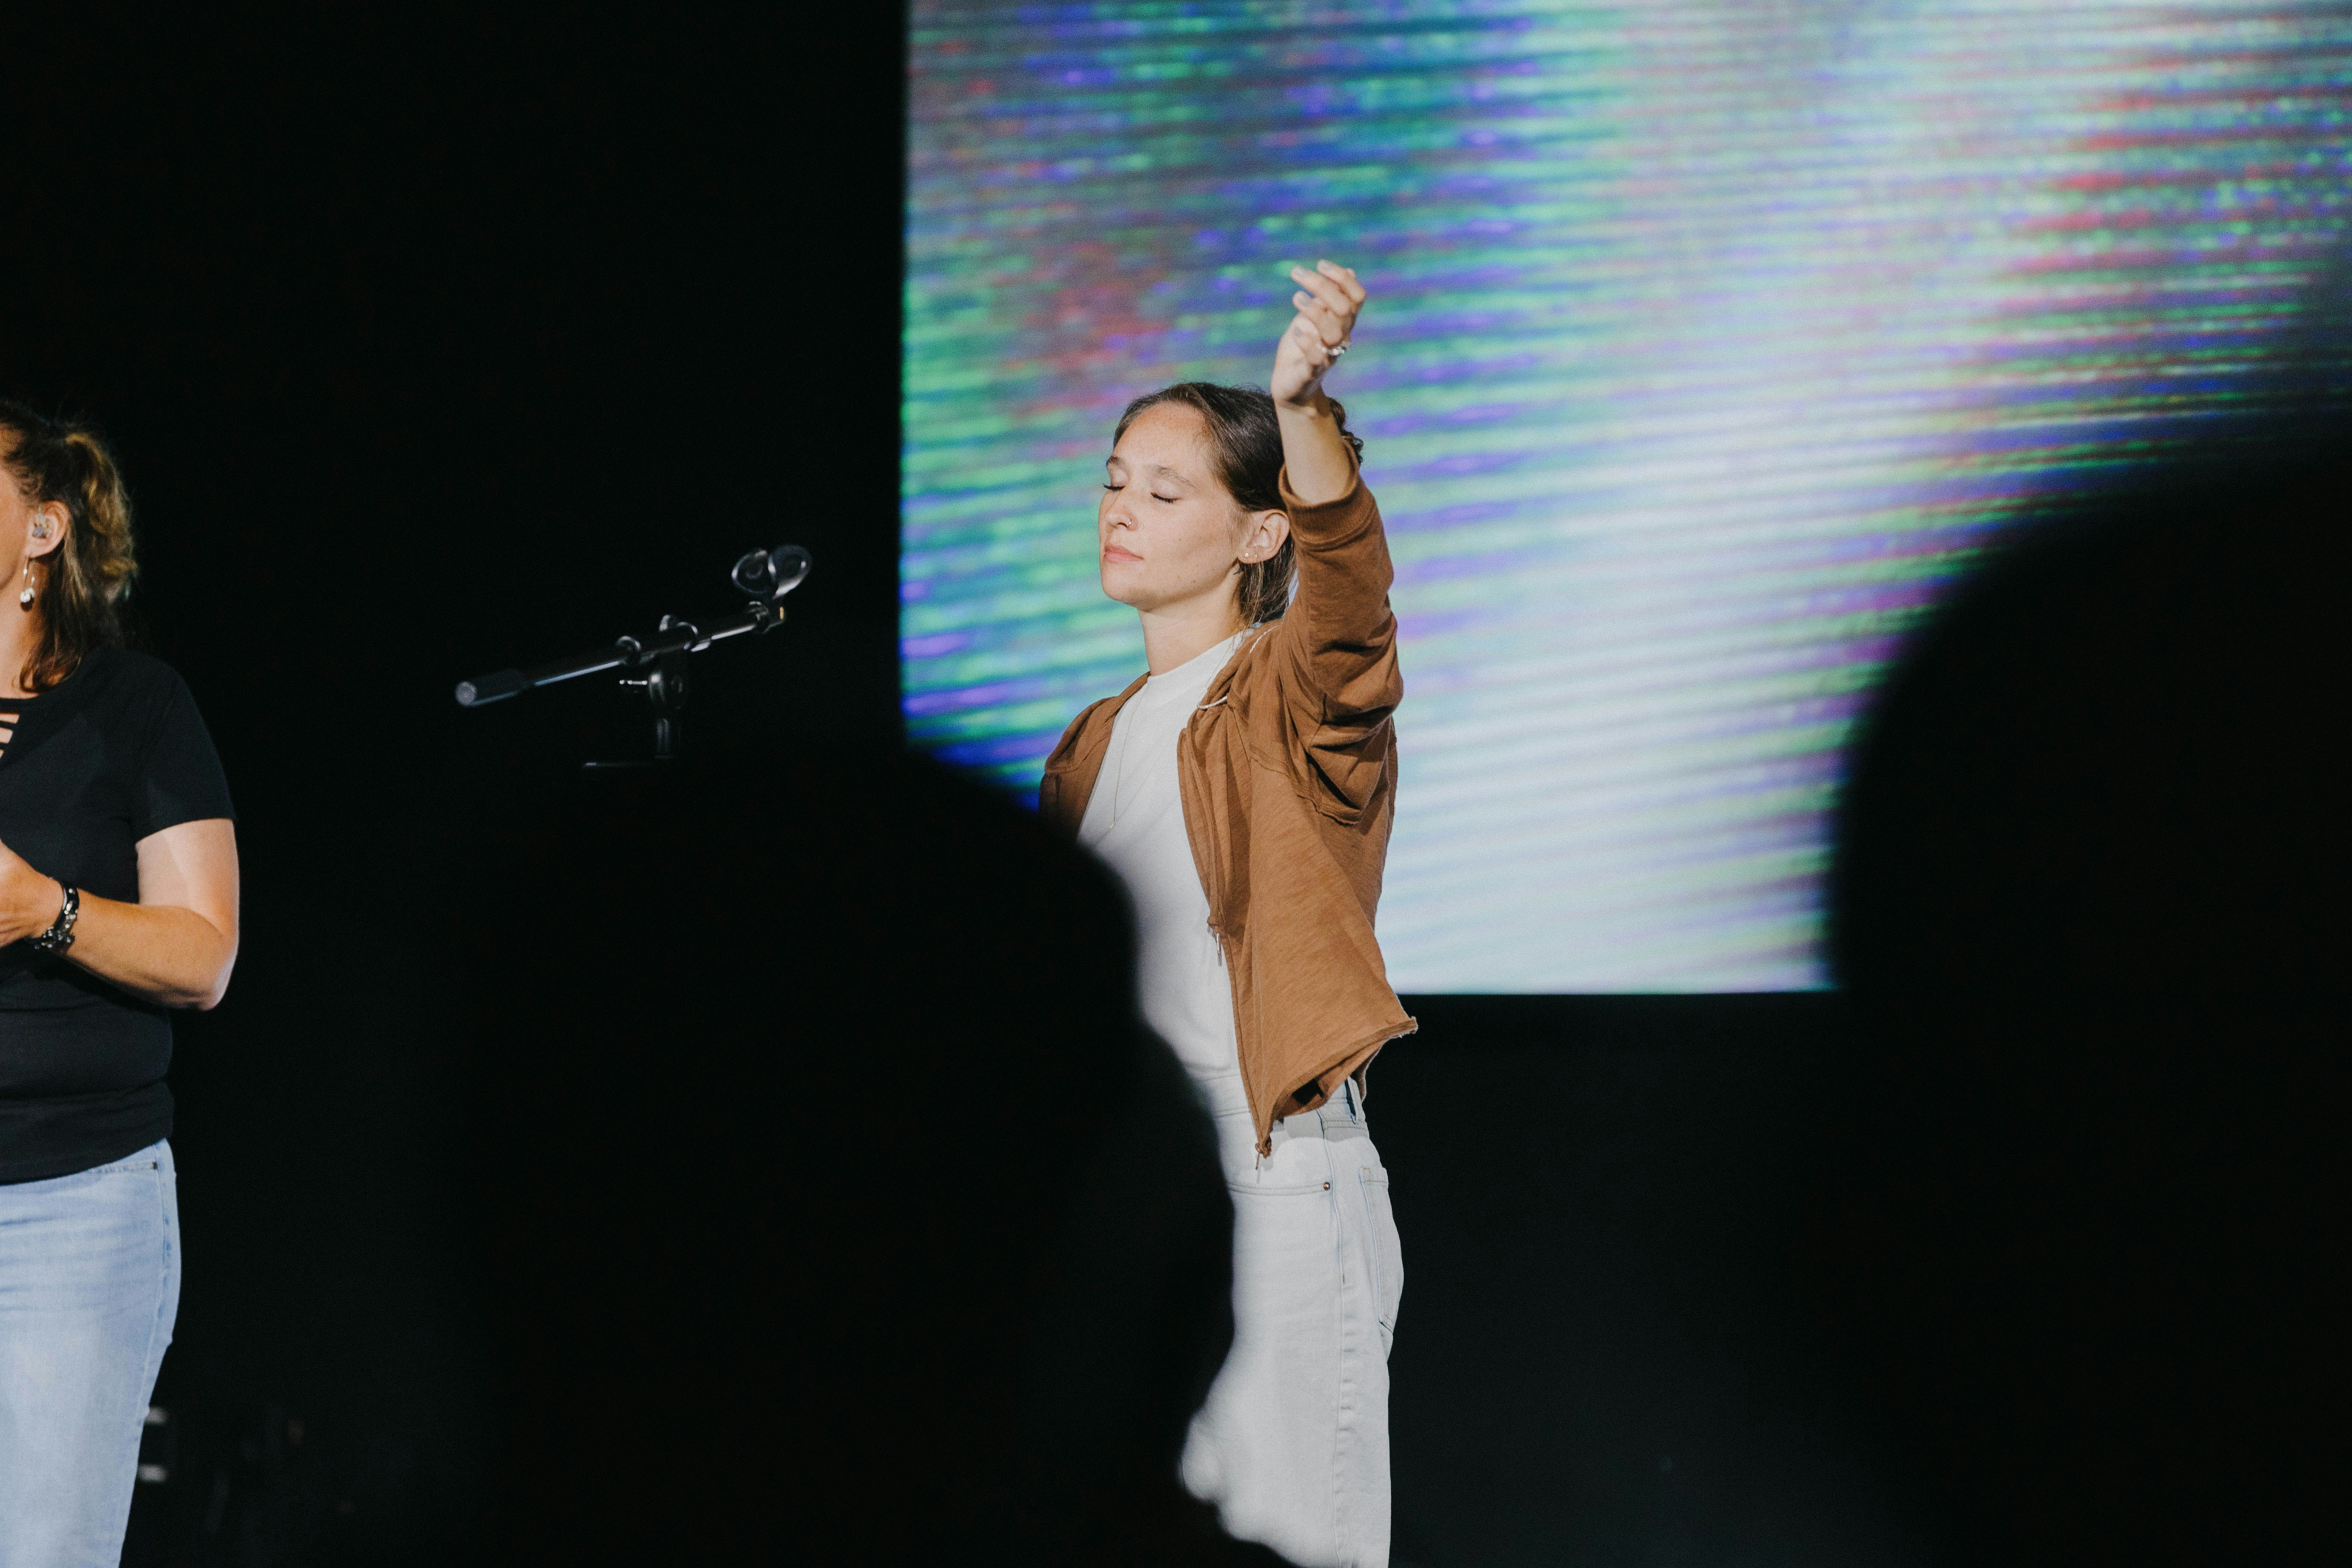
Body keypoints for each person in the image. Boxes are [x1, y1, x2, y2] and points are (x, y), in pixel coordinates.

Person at [1039, 260, 1413, 1567]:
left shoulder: (1285, 694)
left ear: (1259, 532)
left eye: (1163, 489)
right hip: (1135, 1192)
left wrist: (1303, 411)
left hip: (1272, 1185)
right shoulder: (1091, 742)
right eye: (1112, 481)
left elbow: (1353, 608)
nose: (1120, 511)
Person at [0, 403, 239, 1565]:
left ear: (44, 528)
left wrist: (44, 910)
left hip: (65, 1207)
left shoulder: (134, 707)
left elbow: (205, 958)